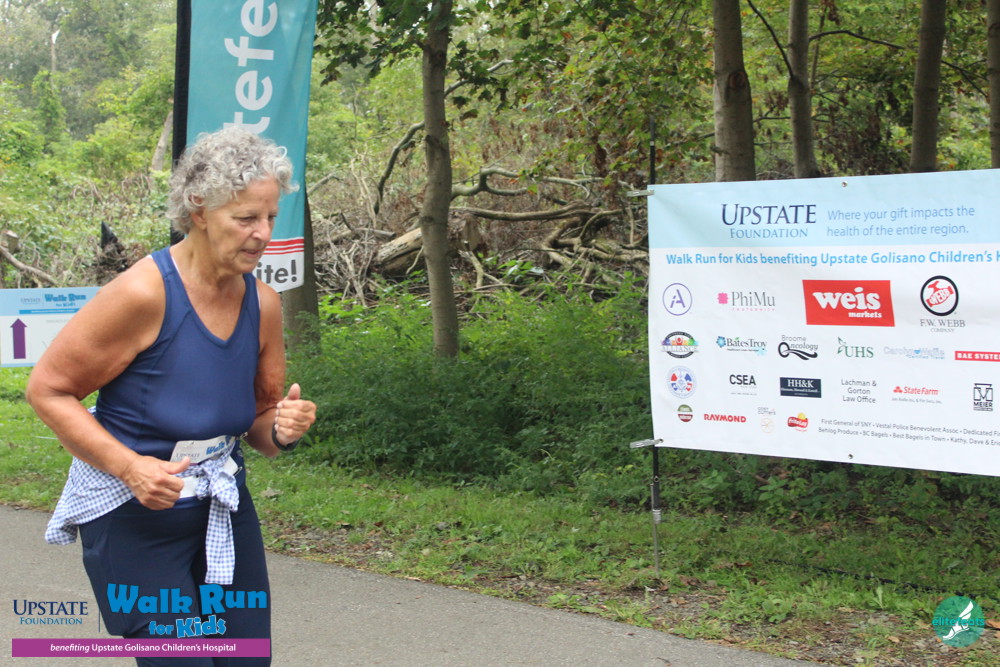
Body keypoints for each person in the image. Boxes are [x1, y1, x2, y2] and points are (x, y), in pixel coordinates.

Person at [25, 126, 316, 666]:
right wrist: (131, 467)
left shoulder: (264, 304)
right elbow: (48, 390)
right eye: (246, 218)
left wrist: (282, 429)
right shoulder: (142, 294)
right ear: (199, 209)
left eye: (270, 217)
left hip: (220, 508)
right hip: (133, 516)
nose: (262, 234)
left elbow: (259, 422)